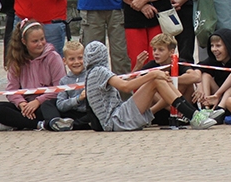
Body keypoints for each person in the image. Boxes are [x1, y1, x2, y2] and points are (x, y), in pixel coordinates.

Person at [84, 40, 220, 131]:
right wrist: (153, 74)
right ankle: (194, 116)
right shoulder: (99, 71)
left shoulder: (93, 73)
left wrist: (154, 75)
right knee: (155, 80)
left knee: (158, 80)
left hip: (119, 114)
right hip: (115, 119)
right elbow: (125, 87)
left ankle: (195, 114)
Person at [0, 19, 70, 131]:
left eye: (42, 39)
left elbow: (59, 89)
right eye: (35, 41)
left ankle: (20, 123)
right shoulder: (16, 61)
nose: (40, 43)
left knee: (50, 108)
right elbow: (12, 90)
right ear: (24, 41)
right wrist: (21, 103)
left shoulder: (53, 57)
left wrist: (38, 101)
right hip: (26, 105)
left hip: (46, 103)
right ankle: (39, 124)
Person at [196, 29, 231, 109]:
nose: (214, 49)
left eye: (218, 45)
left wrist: (218, 94)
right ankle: (206, 107)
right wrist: (199, 85)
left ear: (229, 46)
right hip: (217, 95)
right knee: (205, 75)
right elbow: (197, 68)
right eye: (212, 45)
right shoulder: (213, 60)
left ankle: (221, 109)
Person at [54, 41, 92, 131]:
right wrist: (78, 99)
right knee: (48, 104)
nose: (76, 62)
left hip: (88, 112)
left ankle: (73, 125)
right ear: (64, 61)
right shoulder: (64, 81)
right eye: (72, 59)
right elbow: (60, 105)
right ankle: (61, 123)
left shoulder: (91, 75)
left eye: (80, 58)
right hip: (73, 112)